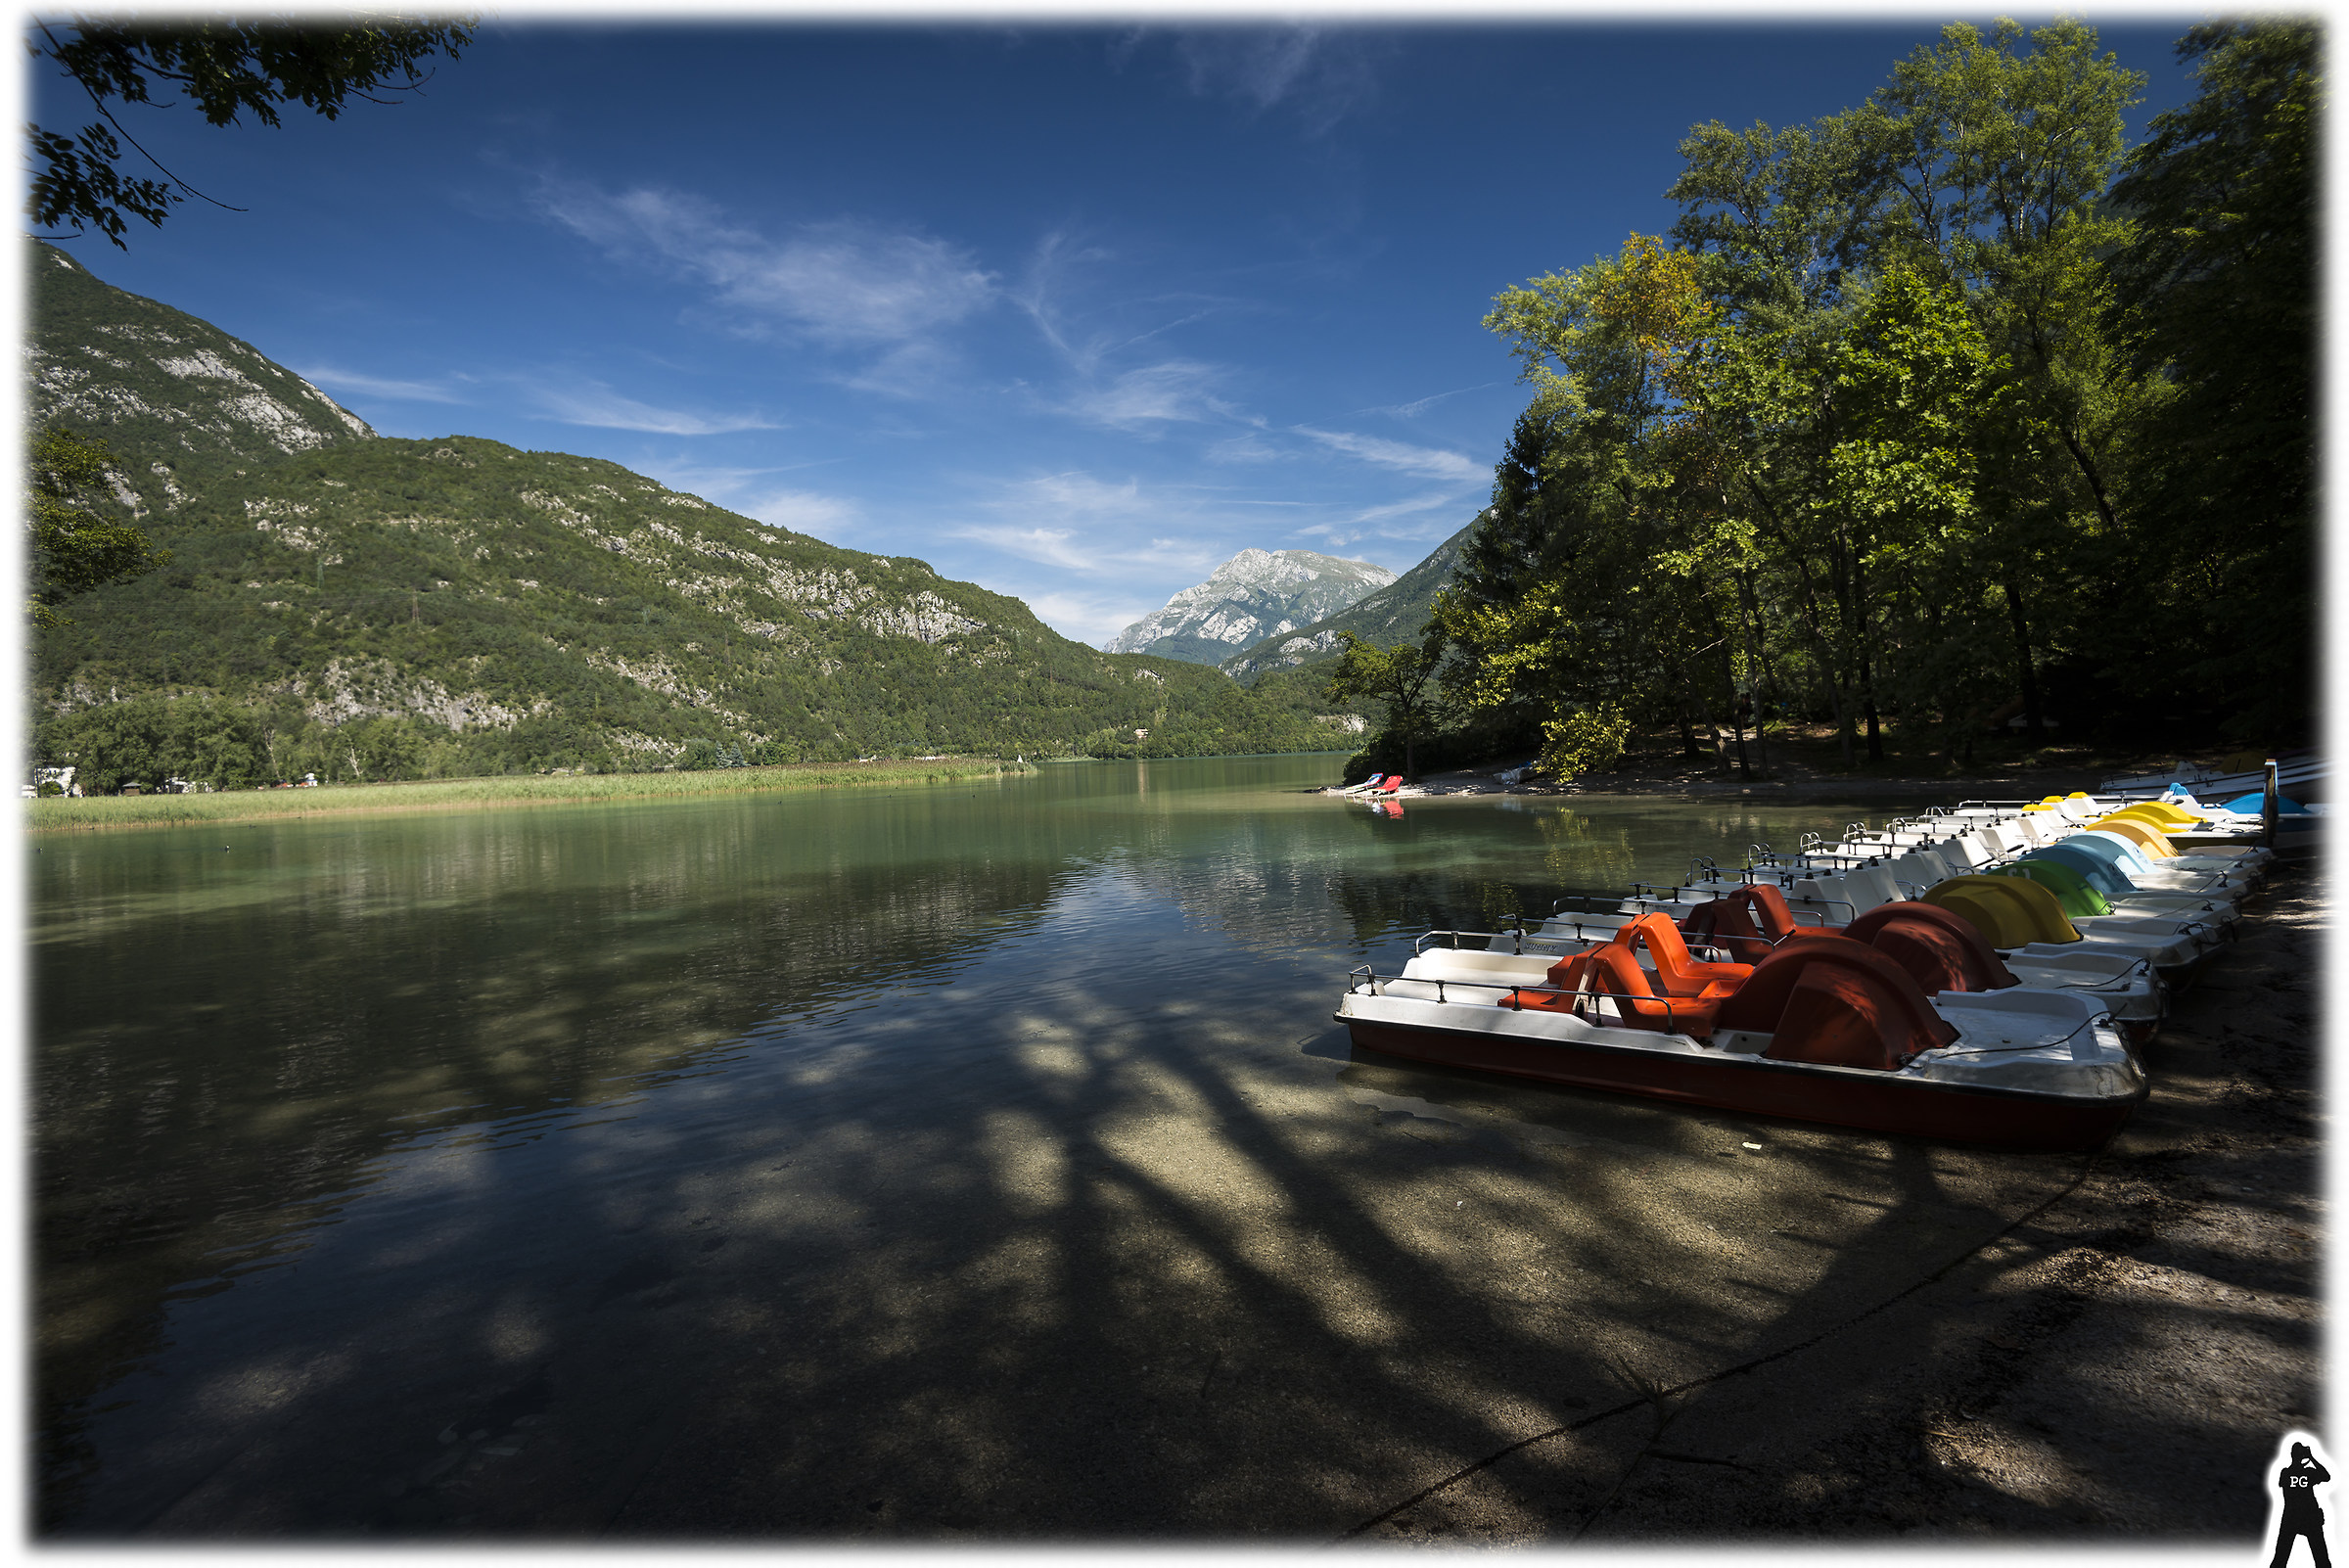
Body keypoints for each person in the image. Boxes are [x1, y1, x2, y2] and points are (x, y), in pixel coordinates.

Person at [2272, 1442, 2332, 1568]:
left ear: (2292, 1455)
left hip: (2291, 1517)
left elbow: (2284, 1484)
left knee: (2280, 1560)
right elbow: (2326, 1476)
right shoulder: (2309, 1473)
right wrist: (2311, 1458)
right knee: (2322, 1560)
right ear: (2302, 1456)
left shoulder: (2285, 1473)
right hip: (2309, 1517)